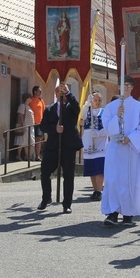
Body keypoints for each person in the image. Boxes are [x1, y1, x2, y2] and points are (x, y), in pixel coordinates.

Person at [101, 75, 140, 226]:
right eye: (123, 85)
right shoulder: (110, 107)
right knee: (113, 180)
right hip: (115, 148)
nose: (126, 87)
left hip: (130, 148)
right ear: (119, 87)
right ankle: (112, 213)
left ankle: (128, 214)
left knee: (130, 180)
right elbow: (107, 128)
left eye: (129, 85)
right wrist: (117, 116)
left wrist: (131, 138)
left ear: (132, 87)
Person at [37, 83, 83, 214]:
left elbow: (77, 108)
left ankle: (67, 203)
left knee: (68, 175)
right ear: (55, 94)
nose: (61, 95)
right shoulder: (49, 109)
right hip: (52, 146)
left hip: (68, 145)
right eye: (59, 92)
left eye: (63, 93)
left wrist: (68, 92)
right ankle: (46, 199)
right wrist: (54, 129)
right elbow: (43, 126)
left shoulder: (71, 107)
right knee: (45, 172)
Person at [79, 91, 106, 201]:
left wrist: (99, 133)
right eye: (95, 100)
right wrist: (86, 104)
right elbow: (82, 116)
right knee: (91, 167)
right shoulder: (88, 111)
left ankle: (99, 190)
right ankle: (95, 190)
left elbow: (107, 127)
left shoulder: (104, 112)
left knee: (99, 167)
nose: (97, 102)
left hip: (100, 141)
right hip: (89, 140)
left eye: (99, 100)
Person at [14, 93, 35, 161]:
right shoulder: (22, 106)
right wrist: (23, 125)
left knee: (27, 142)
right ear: (27, 98)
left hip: (30, 126)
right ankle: (18, 155)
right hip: (25, 126)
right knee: (22, 141)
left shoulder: (28, 106)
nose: (31, 99)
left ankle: (26, 156)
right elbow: (20, 115)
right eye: (30, 97)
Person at [29, 86, 45, 161]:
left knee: (38, 139)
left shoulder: (41, 101)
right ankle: (29, 155)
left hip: (39, 123)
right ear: (35, 92)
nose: (41, 93)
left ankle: (37, 156)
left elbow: (44, 111)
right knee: (31, 139)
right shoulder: (31, 100)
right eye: (39, 91)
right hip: (32, 122)